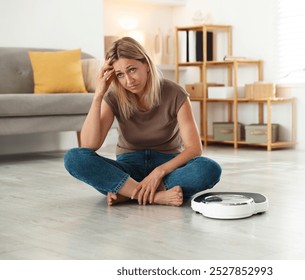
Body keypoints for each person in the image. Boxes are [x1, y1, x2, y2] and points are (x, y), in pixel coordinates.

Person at [64, 37, 222, 207]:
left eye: (132, 70)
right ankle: (153, 196)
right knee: (74, 158)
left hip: (167, 168)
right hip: (129, 170)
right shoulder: (113, 97)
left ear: (146, 64)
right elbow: (89, 145)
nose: (128, 81)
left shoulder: (175, 93)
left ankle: (127, 193)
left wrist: (158, 172)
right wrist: (98, 95)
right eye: (120, 75)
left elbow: (194, 148)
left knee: (209, 168)